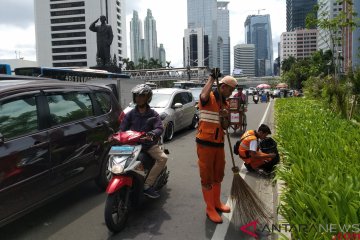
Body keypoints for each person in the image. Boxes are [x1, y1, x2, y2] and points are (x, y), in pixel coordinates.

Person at [196, 69, 237, 223]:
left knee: (218, 174)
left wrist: (225, 118)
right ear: (223, 86)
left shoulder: (225, 103)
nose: (231, 93)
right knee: (206, 176)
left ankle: (217, 203)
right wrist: (212, 78)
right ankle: (210, 208)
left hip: (219, 144)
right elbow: (203, 95)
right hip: (205, 144)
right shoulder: (209, 98)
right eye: (230, 89)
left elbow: (226, 126)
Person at [120, 84, 168, 199]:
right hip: (132, 145)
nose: (139, 98)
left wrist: (152, 133)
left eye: (142, 96)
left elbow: (159, 128)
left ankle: (147, 185)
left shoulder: (153, 114)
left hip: (148, 144)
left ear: (147, 98)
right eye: (137, 96)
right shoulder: (130, 114)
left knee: (163, 158)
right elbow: (122, 127)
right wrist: (117, 135)